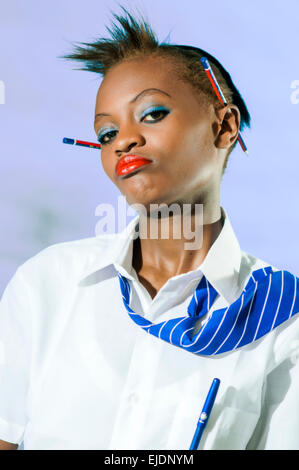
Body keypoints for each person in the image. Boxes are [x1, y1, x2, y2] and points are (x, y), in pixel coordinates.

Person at [1, 5, 299, 451]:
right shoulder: (47, 283)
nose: (123, 141)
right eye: (105, 134)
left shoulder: (284, 320)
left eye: (153, 113)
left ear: (225, 127)